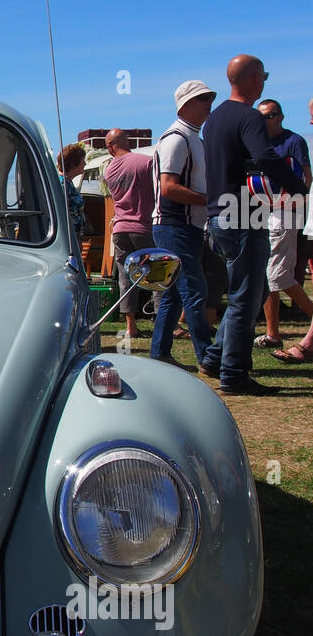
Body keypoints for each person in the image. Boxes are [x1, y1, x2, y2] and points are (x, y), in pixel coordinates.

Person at [199, 55, 306, 395]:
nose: (264, 82)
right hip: (245, 211)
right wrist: (296, 184)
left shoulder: (213, 120)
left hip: (219, 212)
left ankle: (216, 357)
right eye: (263, 76)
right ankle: (234, 373)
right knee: (248, 295)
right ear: (253, 79)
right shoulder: (249, 117)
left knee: (250, 290)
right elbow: (264, 157)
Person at [148, 82, 217, 367]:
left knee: (175, 293)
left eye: (209, 98)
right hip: (175, 224)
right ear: (184, 104)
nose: (208, 103)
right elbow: (169, 188)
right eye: (202, 99)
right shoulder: (178, 138)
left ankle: (160, 353)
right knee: (193, 289)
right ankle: (208, 356)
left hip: (178, 225)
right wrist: (209, 199)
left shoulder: (191, 138)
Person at [253, 100, 312, 348]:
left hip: (286, 212)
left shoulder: (294, 141)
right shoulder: (259, 142)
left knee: (278, 275)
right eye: (260, 117)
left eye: (268, 116)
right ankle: (272, 333)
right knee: (270, 275)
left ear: (279, 117)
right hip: (262, 212)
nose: (264, 121)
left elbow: (307, 176)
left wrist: (299, 200)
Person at [103, 128, 154, 343]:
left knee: (126, 276)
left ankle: (130, 325)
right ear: (128, 141)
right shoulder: (146, 162)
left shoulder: (108, 171)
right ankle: (162, 322)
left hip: (121, 228)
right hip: (144, 226)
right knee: (157, 275)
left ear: (109, 147)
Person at [56, 143, 87, 239]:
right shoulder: (63, 183)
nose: (85, 164)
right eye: (83, 161)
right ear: (73, 164)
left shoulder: (67, 182)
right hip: (67, 238)